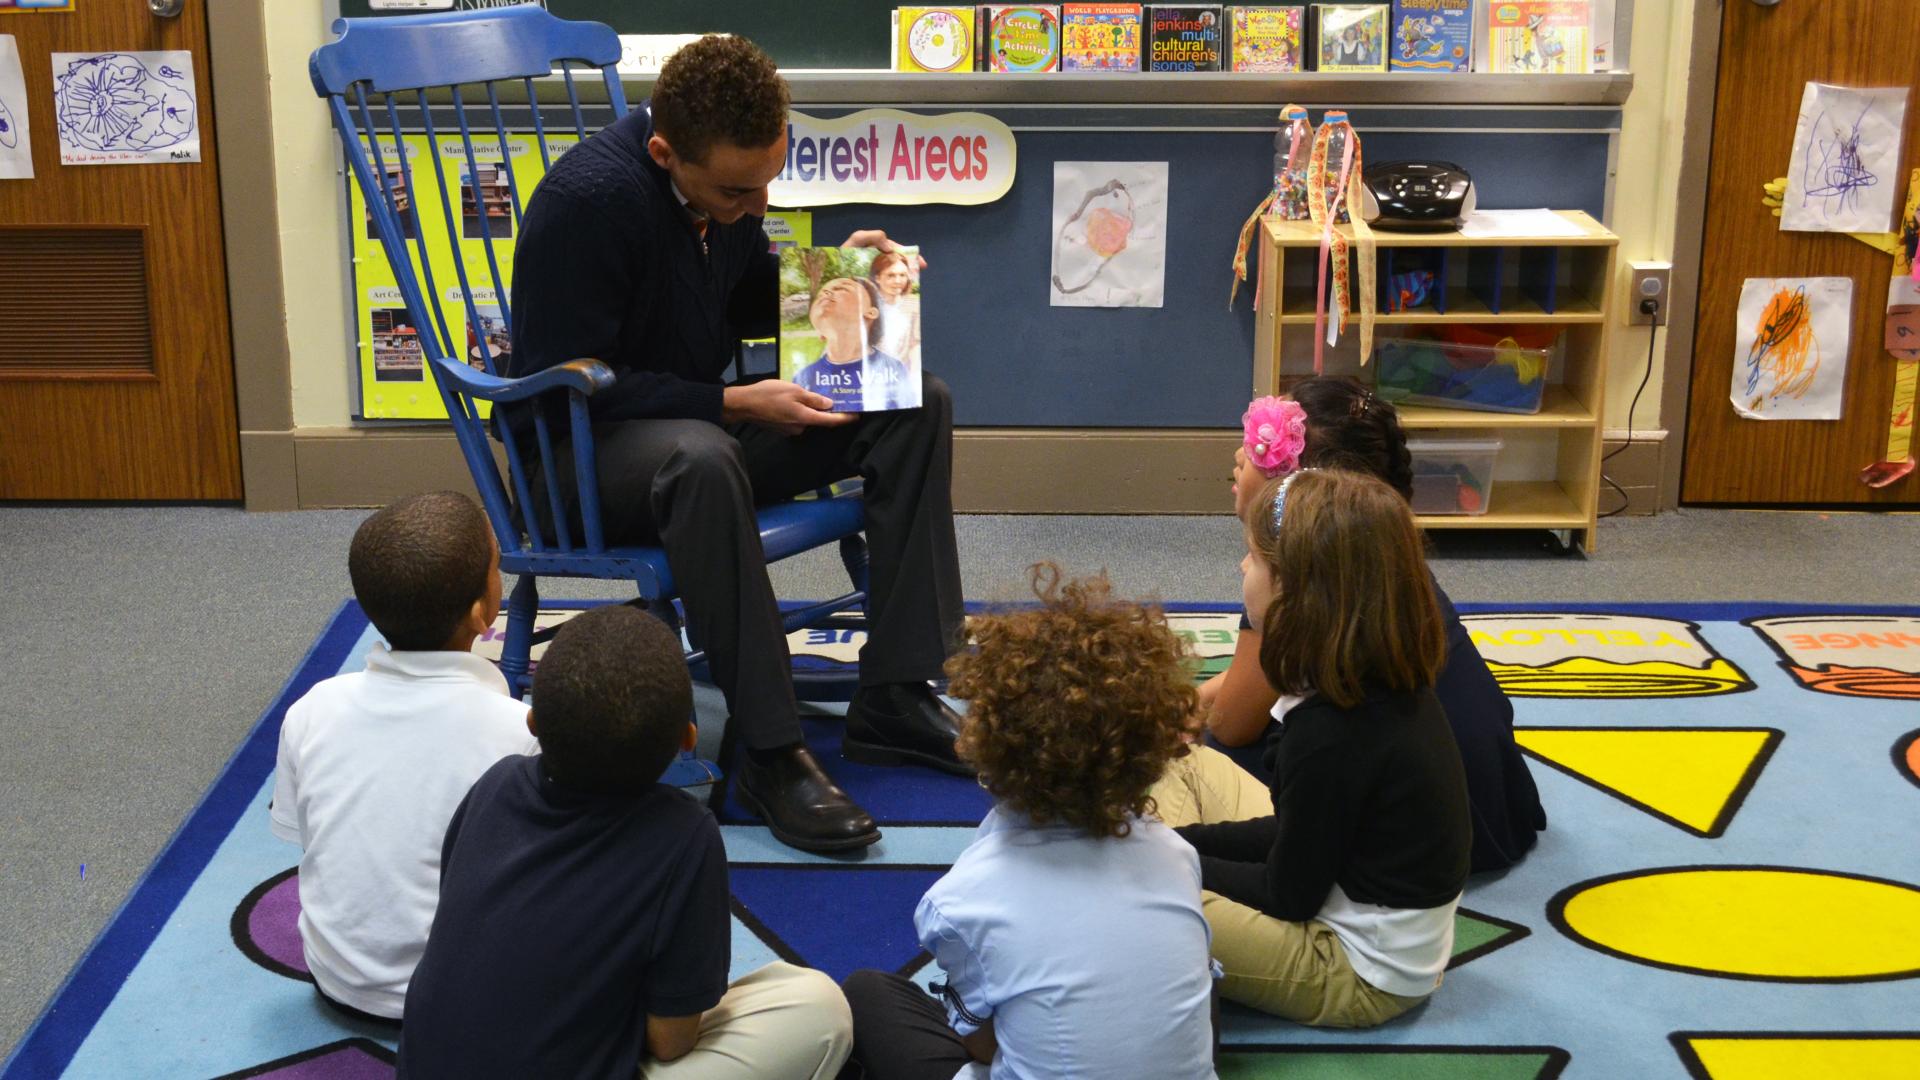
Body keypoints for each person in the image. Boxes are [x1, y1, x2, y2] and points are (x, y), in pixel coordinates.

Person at [506, 34, 967, 855]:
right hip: (581, 462)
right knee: (704, 454)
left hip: (697, 439)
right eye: (736, 190)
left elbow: (749, 300)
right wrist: (726, 401)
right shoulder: (586, 202)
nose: (757, 205)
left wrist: (845, 273)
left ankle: (895, 693)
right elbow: (565, 382)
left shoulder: (720, 192)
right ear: (662, 151)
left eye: (768, 181)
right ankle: (769, 750)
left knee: (915, 401)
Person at [397, 605, 852, 1080]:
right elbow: (671, 1042)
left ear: (532, 723)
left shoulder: (496, 782)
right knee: (818, 1008)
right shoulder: (685, 834)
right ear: (688, 740)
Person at [841, 566, 1218, 1080]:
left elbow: (980, 1046)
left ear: (989, 749)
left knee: (868, 992)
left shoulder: (961, 900)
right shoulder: (1175, 854)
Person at [1151, 469, 1472, 1027]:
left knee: (1137, 900)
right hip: (1341, 891)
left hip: (1355, 972)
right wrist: (1176, 844)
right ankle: (1148, 847)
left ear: (1295, 590)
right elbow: (1296, 830)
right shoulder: (1360, 681)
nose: (1241, 568)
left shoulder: (1334, 732)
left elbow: (1288, 892)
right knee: (1184, 760)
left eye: (1253, 558)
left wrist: (1169, 859)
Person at [1199, 377, 1545, 873]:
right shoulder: (1378, 559)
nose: (1238, 455)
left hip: (1412, 835)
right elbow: (1249, 684)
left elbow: (1231, 725)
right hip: (1483, 801)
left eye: (1260, 448)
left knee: (1208, 760)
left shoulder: (1288, 581)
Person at [269, 491, 537, 1024]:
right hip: (465, 1000)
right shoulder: (520, 735)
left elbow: (309, 840)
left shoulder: (312, 709)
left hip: (339, 980)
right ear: (484, 613)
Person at [790, 276, 913, 412]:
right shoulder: (803, 378)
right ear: (821, 333)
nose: (827, 293)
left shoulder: (894, 369)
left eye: (841, 288)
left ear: (871, 312)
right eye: (822, 292)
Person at [869, 249, 922, 368]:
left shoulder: (914, 304)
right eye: (891, 275)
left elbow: (915, 346)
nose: (898, 281)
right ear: (877, 278)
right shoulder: (867, 305)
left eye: (902, 275)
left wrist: (913, 376)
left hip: (903, 373)